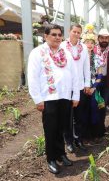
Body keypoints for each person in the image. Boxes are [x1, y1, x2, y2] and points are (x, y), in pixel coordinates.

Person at [27, 24, 79, 174]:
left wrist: (75, 95)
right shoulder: (38, 53)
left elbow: (74, 75)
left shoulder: (66, 53)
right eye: (54, 34)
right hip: (48, 98)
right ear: (46, 36)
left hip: (64, 96)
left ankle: (61, 154)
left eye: (59, 35)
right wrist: (37, 99)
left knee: (62, 127)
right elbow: (32, 77)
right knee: (50, 129)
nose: (57, 37)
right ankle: (51, 158)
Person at [61, 24, 90, 152]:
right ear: (69, 31)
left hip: (79, 86)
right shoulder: (62, 46)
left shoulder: (83, 47)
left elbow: (86, 67)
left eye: (79, 32)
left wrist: (87, 83)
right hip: (66, 87)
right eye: (74, 32)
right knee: (67, 116)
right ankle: (68, 141)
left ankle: (79, 139)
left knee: (79, 116)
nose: (76, 34)